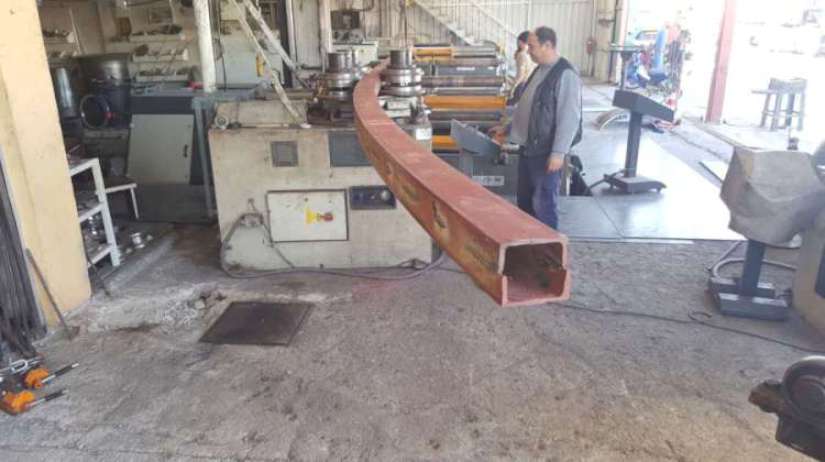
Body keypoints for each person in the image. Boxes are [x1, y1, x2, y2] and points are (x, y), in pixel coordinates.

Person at [490, 26, 582, 229]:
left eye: (532, 46)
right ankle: (530, 243)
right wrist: (509, 128)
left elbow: (569, 118)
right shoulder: (539, 70)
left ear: (547, 45)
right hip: (528, 148)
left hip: (545, 152)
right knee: (525, 203)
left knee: (543, 205)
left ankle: (548, 248)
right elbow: (531, 108)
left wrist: (558, 153)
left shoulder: (565, 74)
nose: (528, 50)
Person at [510, 31, 536, 99]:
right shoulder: (531, 54)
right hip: (529, 85)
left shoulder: (522, 54)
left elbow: (520, 74)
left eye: (519, 41)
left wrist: (513, 87)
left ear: (520, 41)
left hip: (521, 85)